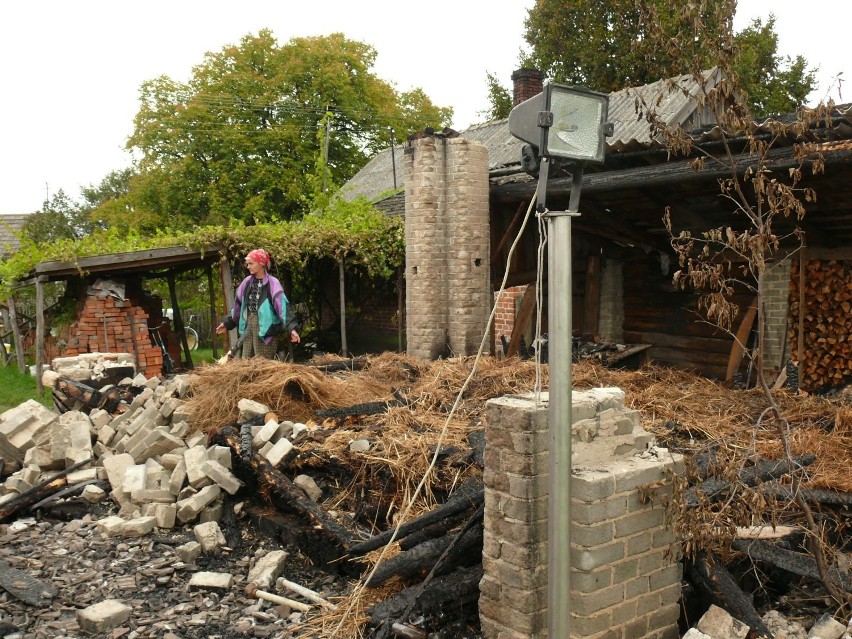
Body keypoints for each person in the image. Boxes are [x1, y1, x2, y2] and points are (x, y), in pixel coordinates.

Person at [215, 249, 300, 359]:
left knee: (262, 364)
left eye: (251, 263)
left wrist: (292, 328)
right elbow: (238, 307)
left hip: (265, 332)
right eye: (247, 264)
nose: (248, 266)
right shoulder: (246, 283)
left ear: (261, 263)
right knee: (246, 363)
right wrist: (227, 323)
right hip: (248, 328)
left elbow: (283, 307)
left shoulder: (273, 283)